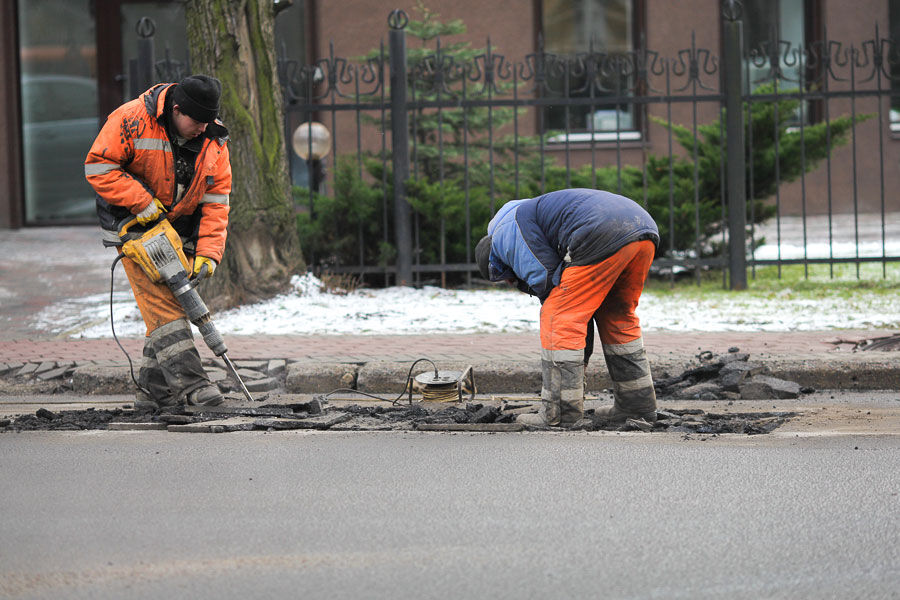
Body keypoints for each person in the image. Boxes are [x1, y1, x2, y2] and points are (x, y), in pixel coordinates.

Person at [84, 74, 232, 411]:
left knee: (170, 303)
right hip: (132, 226)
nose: (202, 129)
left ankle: (154, 390)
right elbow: (97, 167)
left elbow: (216, 200)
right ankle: (193, 385)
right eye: (196, 122)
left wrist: (208, 253)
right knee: (165, 306)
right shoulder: (131, 119)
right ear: (177, 110)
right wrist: (141, 202)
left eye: (207, 122)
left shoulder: (214, 138)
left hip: (177, 231)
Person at [475, 188, 660, 428]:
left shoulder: (505, 234)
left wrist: (577, 359)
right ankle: (637, 407)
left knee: (559, 315)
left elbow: (547, 281)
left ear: (497, 263)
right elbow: (580, 305)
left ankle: (560, 413)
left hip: (600, 231)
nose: (511, 283)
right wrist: (580, 352)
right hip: (641, 229)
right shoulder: (529, 215)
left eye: (506, 278)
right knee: (616, 316)